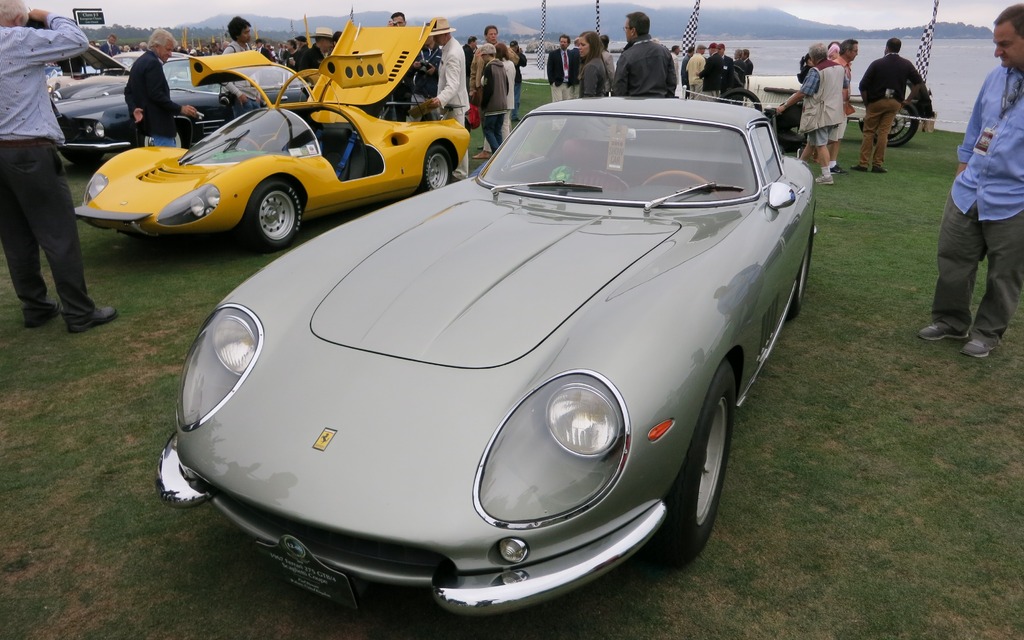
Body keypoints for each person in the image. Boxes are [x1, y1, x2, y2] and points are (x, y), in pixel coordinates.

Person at [0, 2, 117, 332]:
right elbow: (77, 40)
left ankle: (35, 306)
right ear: (18, 19)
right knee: (58, 233)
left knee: (15, 236)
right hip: (29, 149)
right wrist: (43, 15)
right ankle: (79, 311)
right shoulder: (16, 38)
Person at [918, 4, 1024, 358]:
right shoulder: (996, 76)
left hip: (1015, 200)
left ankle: (987, 333)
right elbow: (977, 123)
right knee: (953, 258)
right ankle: (950, 321)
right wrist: (963, 167)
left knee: (1004, 274)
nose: (997, 51)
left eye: (1005, 43)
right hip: (969, 189)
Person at [776, 42, 847, 186]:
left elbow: (804, 92)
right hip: (835, 110)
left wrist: (784, 106)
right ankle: (800, 166)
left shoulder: (816, 71)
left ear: (813, 57)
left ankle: (827, 175)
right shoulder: (840, 68)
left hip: (820, 111)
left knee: (820, 143)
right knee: (812, 142)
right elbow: (844, 86)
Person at [854, 37, 925, 173]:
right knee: (884, 133)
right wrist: (908, 100)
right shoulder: (906, 64)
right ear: (899, 49)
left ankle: (863, 163)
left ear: (886, 48)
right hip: (894, 102)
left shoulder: (877, 63)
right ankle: (877, 164)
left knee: (869, 132)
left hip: (877, 101)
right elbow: (918, 83)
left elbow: (863, 85)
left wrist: (867, 103)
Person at [125, 29, 200, 147]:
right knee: (167, 160)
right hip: (160, 126)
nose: (170, 54)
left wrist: (133, 108)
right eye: (168, 49)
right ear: (156, 46)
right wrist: (181, 109)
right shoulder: (153, 64)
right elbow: (156, 95)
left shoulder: (140, 62)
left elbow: (128, 91)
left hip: (148, 126)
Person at [421, 17, 469, 179]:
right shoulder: (449, 48)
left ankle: (461, 175)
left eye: (436, 35)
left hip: (454, 106)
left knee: (458, 140)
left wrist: (439, 100)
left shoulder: (453, 53)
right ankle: (458, 172)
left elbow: (453, 84)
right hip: (452, 105)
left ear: (445, 34)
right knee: (454, 139)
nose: (433, 38)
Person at [613, 11, 676, 98]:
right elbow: (671, 83)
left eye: (626, 28)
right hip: (661, 105)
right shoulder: (665, 52)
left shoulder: (626, 56)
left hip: (635, 107)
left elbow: (619, 89)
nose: (625, 31)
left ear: (633, 31)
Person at [826, 39, 859, 174]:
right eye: (855, 51)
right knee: (830, 136)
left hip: (843, 106)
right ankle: (822, 161)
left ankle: (832, 163)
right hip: (835, 106)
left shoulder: (846, 66)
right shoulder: (836, 65)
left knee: (838, 137)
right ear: (847, 51)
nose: (857, 54)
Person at [221, 17, 262, 118]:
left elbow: (254, 73)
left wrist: (258, 94)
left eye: (249, 32)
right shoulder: (230, 50)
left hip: (253, 97)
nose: (249, 35)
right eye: (245, 33)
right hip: (242, 99)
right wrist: (239, 94)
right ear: (237, 35)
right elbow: (221, 76)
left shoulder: (248, 49)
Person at [478, 43, 508, 156]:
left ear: (486, 55)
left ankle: (496, 154)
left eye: (482, 55)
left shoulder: (489, 67)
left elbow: (488, 88)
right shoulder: (502, 66)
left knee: (488, 130)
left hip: (492, 106)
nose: (482, 58)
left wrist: (484, 104)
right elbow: (507, 85)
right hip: (503, 104)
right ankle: (502, 154)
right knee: (498, 131)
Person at [546, 34, 579, 101]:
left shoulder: (570, 54)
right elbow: (549, 68)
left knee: (566, 104)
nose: (562, 43)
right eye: (561, 42)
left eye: (564, 42)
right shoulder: (553, 54)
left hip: (567, 84)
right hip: (557, 83)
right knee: (557, 104)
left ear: (568, 44)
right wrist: (552, 82)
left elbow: (572, 68)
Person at [578, 31, 610, 97]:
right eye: (579, 45)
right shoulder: (598, 61)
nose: (580, 48)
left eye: (583, 45)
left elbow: (589, 95)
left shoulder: (591, 66)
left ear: (592, 46)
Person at [509, 39, 526, 120]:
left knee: (515, 98)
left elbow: (524, 63)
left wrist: (520, 54)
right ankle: (514, 115)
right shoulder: (512, 56)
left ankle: (514, 114)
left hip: (515, 78)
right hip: (512, 78)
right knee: (514, 98)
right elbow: (523, 63)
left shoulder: (514, 55)